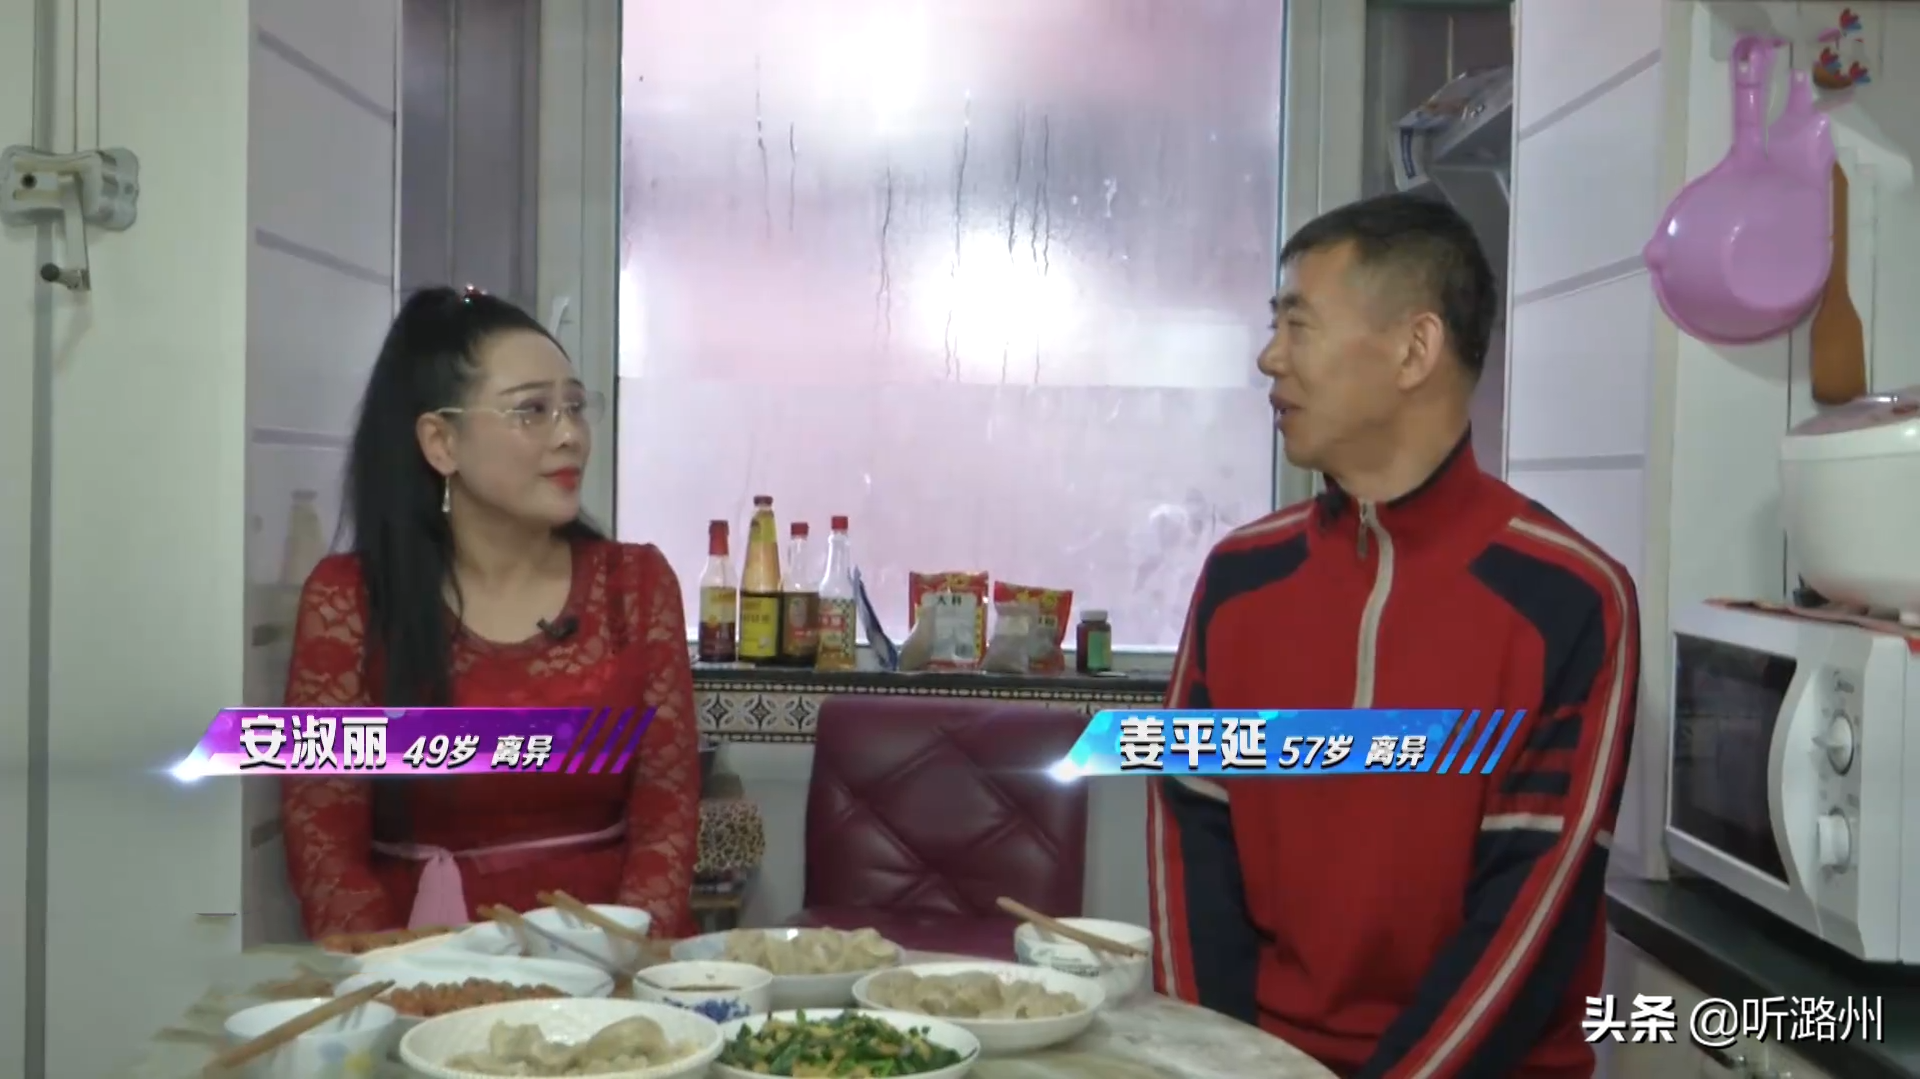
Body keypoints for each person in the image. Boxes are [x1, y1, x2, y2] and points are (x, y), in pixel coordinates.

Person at [1148, 194, 1639, 1079]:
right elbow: (1193, 844)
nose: (1269, 356)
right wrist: (1216, 1067)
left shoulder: (1570, 597)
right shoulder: (1239, 579)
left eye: (1299, 324)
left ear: (1415, 349)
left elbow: (1530, 912)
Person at [280, 286, 700, 941]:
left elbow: (667, 818)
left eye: (574, 406)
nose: (570, 435)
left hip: (607, 963)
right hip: (418, 966)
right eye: (531, 410)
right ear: (441, 442)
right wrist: (405, 977)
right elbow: (324, 842)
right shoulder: (349, 600)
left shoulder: (635, 586)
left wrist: (619, 962)